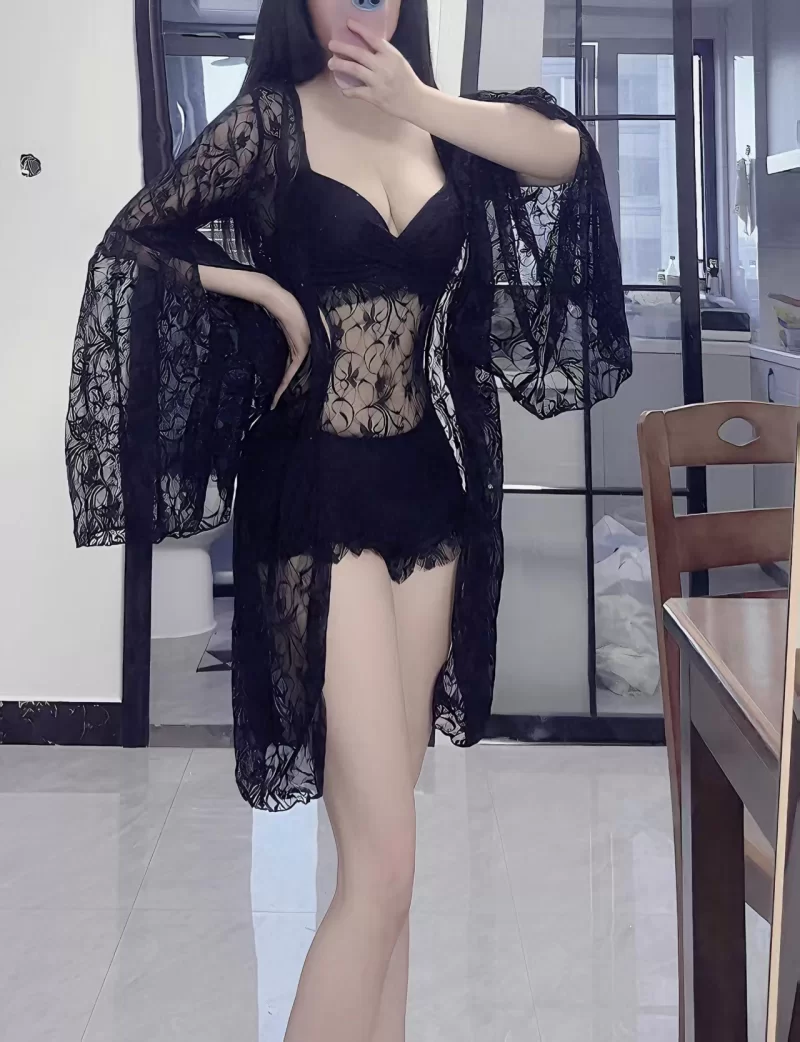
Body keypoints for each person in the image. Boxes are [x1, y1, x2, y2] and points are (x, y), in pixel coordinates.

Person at [66, 1, 631, 1038]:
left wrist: (421, 101)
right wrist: (271, 299)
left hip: (426, 492)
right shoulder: (272, 122)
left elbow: (565, 153)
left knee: (382, 857)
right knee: (385, 870)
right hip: (311, 489)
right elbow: (132, 238)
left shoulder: (442, 123)